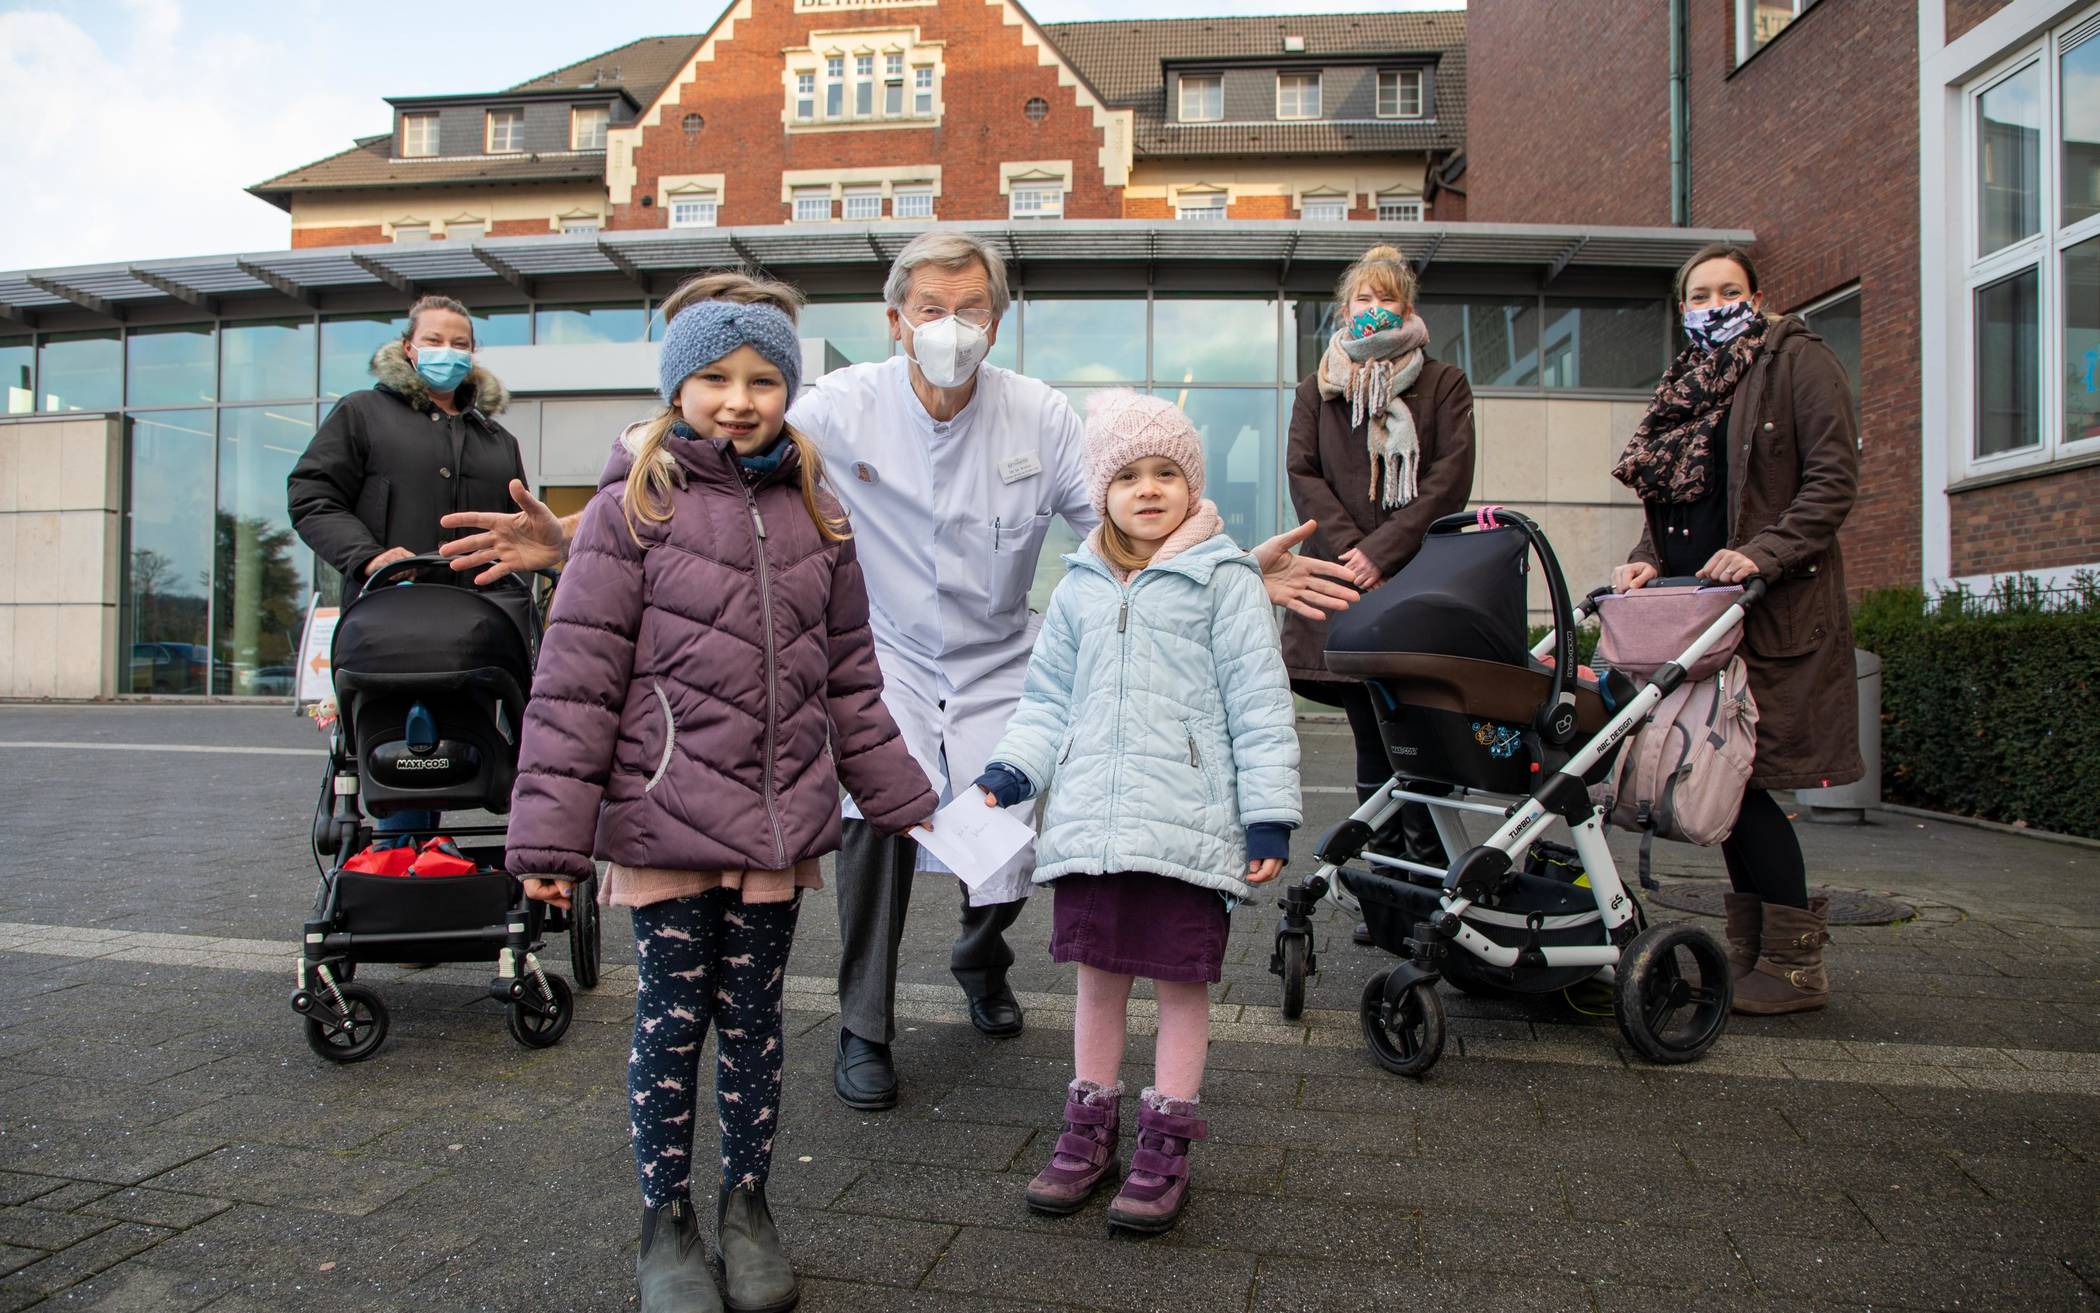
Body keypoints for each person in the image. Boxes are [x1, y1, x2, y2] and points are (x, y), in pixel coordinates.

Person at [437, 232, 1358, 1113]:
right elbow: (709, 444)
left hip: (1001, 655)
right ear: (895, 320)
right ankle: (864, 1025)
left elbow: (1123, 524)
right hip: (884, 653)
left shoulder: (1037, 412)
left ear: (996, 323)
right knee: (874, 816)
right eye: (929, 307)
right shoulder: (841, 404)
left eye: (970, 308)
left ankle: (980, 952)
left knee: (1013, 815)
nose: (949, 325)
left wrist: (1221, 565)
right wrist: (576, 537)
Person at [503, 272, 937, 1313]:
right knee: (669, 1022)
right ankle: (667, 1221)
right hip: (666, 824)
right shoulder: (627, 508)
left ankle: (749, 1206)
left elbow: (850, 677)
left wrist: (900, 793)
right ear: (676, 387)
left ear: (788, 390)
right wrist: (551, 850)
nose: (738, 399)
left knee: (755, 1021)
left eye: (760, 379)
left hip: (778, 825)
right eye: (713, 377)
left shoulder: (818, 515)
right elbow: (576, 680)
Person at [971, 390, 1300, 1235]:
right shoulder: (1079, 585)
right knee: (1097, 977)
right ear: (1100, 490)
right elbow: (1047, 700)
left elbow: (1259, 703)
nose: (1147, 488)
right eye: (1126, 474)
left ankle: (1166, 1141)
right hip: (1094, 825)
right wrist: (1012, 771)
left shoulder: (1226, 578)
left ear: (1191, 485)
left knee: (1182, 983)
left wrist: (1268, 815)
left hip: (1187, 826)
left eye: (1165, 472)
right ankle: (1089, 1130)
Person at [1609, 241, 1862, 1017]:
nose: (1713, 303)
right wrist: (1646, 558)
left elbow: (1833, 480)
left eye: (1728, 289)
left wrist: (1760, 553)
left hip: (1766, 614)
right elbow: (1677, 508)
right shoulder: (1686, 382)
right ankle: (1755, 950)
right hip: (1693, 612)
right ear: (1682, 308)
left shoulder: (1797, 361)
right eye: (1699, 293)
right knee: (1718, 775)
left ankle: (1794, 965)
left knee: (1740, 780)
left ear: (1756, 295)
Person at [1281, 244, 1476, 942]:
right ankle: (1385, 896)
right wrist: (1352, 551)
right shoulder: (1318, 387)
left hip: (1417, 581)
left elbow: (1449, 481)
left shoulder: (1444, 384)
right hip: (1342, 582)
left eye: (1385, 297)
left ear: (1408, 308)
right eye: (1361, 299)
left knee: (1421, 741)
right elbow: (1302, 473)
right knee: (1371, 742)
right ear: (1344, 310)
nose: (1373, 309)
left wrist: (1387, 550)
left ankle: (1431, 892)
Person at [288, 294, 529, 846]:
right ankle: (402, 865)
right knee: (404, 746)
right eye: (435, 341)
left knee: (485, 742)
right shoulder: (362, 414)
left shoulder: (497, 441)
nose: (449, 352)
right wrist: (368, 555)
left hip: (481, 626)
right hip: (389, 626)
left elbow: (519, 529)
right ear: (408, 348)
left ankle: (491, 858)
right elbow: (312, 496)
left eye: (461, 344)